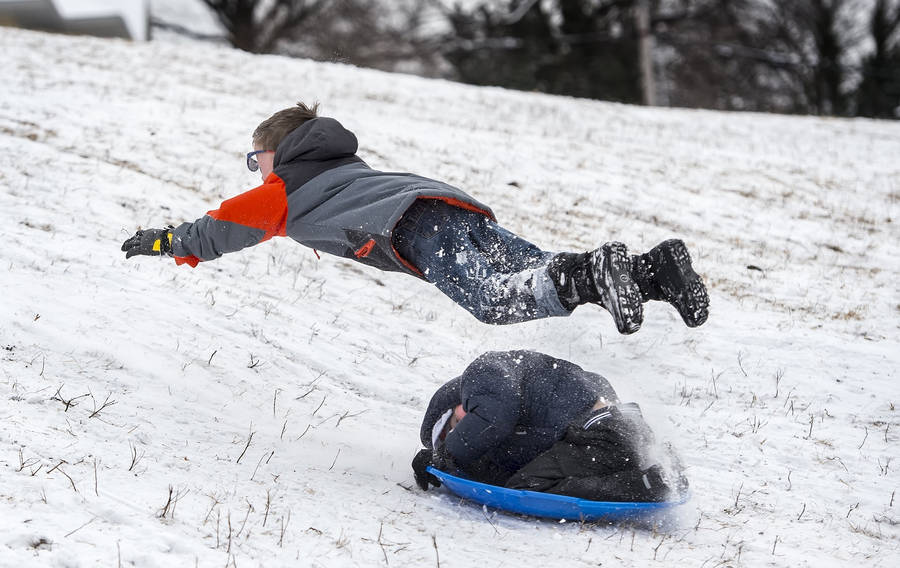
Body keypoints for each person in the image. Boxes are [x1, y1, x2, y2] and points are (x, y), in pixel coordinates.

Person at [121, 102, 709, 334]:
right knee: (533, 272)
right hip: (447, 207)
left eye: (258, 158)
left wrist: (168, 242)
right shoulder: (343, 164)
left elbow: (221, 228)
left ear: (279, 150)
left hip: (414, 228)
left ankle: (598, 272)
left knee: (497, 300)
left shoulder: (285, 187)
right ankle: (654, 271)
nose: (257, 170)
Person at [412, 350, 686, 502]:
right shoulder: (521, 403)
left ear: (453, 403)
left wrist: (445, 455)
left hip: (602, 433)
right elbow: (502, 475)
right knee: (528, 478)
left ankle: (647, 484)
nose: (462, 434)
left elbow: (492, 419)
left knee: (528, 488)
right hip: (619, 431)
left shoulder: (484, 375)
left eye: (455, 426)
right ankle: (654, 465)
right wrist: (449, 465)